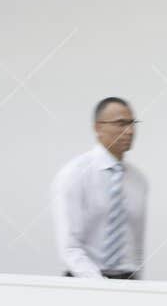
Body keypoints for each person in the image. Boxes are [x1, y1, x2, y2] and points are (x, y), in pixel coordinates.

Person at [51, 96, 148, 280]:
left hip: (127, 282)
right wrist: (100, 285)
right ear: (98, 128)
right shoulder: (74, 174)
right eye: (121, 123)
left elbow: (136, 246)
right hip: (84, 281)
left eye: (132, 123)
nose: (129, 131)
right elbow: (70, 247)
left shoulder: (139, 181)